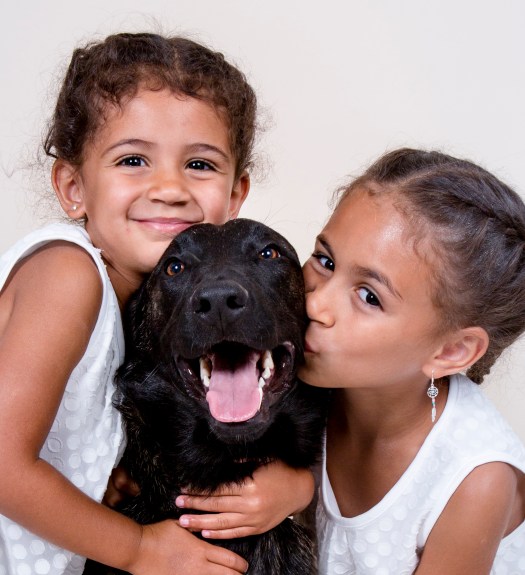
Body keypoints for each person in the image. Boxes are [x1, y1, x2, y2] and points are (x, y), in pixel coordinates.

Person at [0, 32, 313, 575]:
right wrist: (137, 548)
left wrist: (298, 485)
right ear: (73, 187)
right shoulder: (67, 275)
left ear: (235, 195)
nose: (169, 187)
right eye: (133, 160)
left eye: (199, 165)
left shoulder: (147, 300)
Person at [298, 148, 525, 574]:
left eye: (369, 297)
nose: (316, 304)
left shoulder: (475, 480)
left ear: (451, 352)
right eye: (325, 261)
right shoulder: (303, 377)